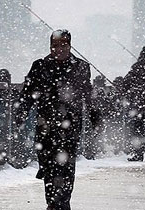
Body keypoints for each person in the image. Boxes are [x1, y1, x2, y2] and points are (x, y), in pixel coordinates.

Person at [17, 30, 93, 210]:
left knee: (65, 167)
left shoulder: (80, 67)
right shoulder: (40, 66)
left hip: (70, 127)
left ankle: (60, 203)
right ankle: (53, 201)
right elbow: (28, 94)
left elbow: (88, 95)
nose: (59, 49)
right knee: (48, 167)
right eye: (55, 45)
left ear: (70, 45)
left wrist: (95, 116)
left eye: (63, 45)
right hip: (45, 127)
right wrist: (20, 114)